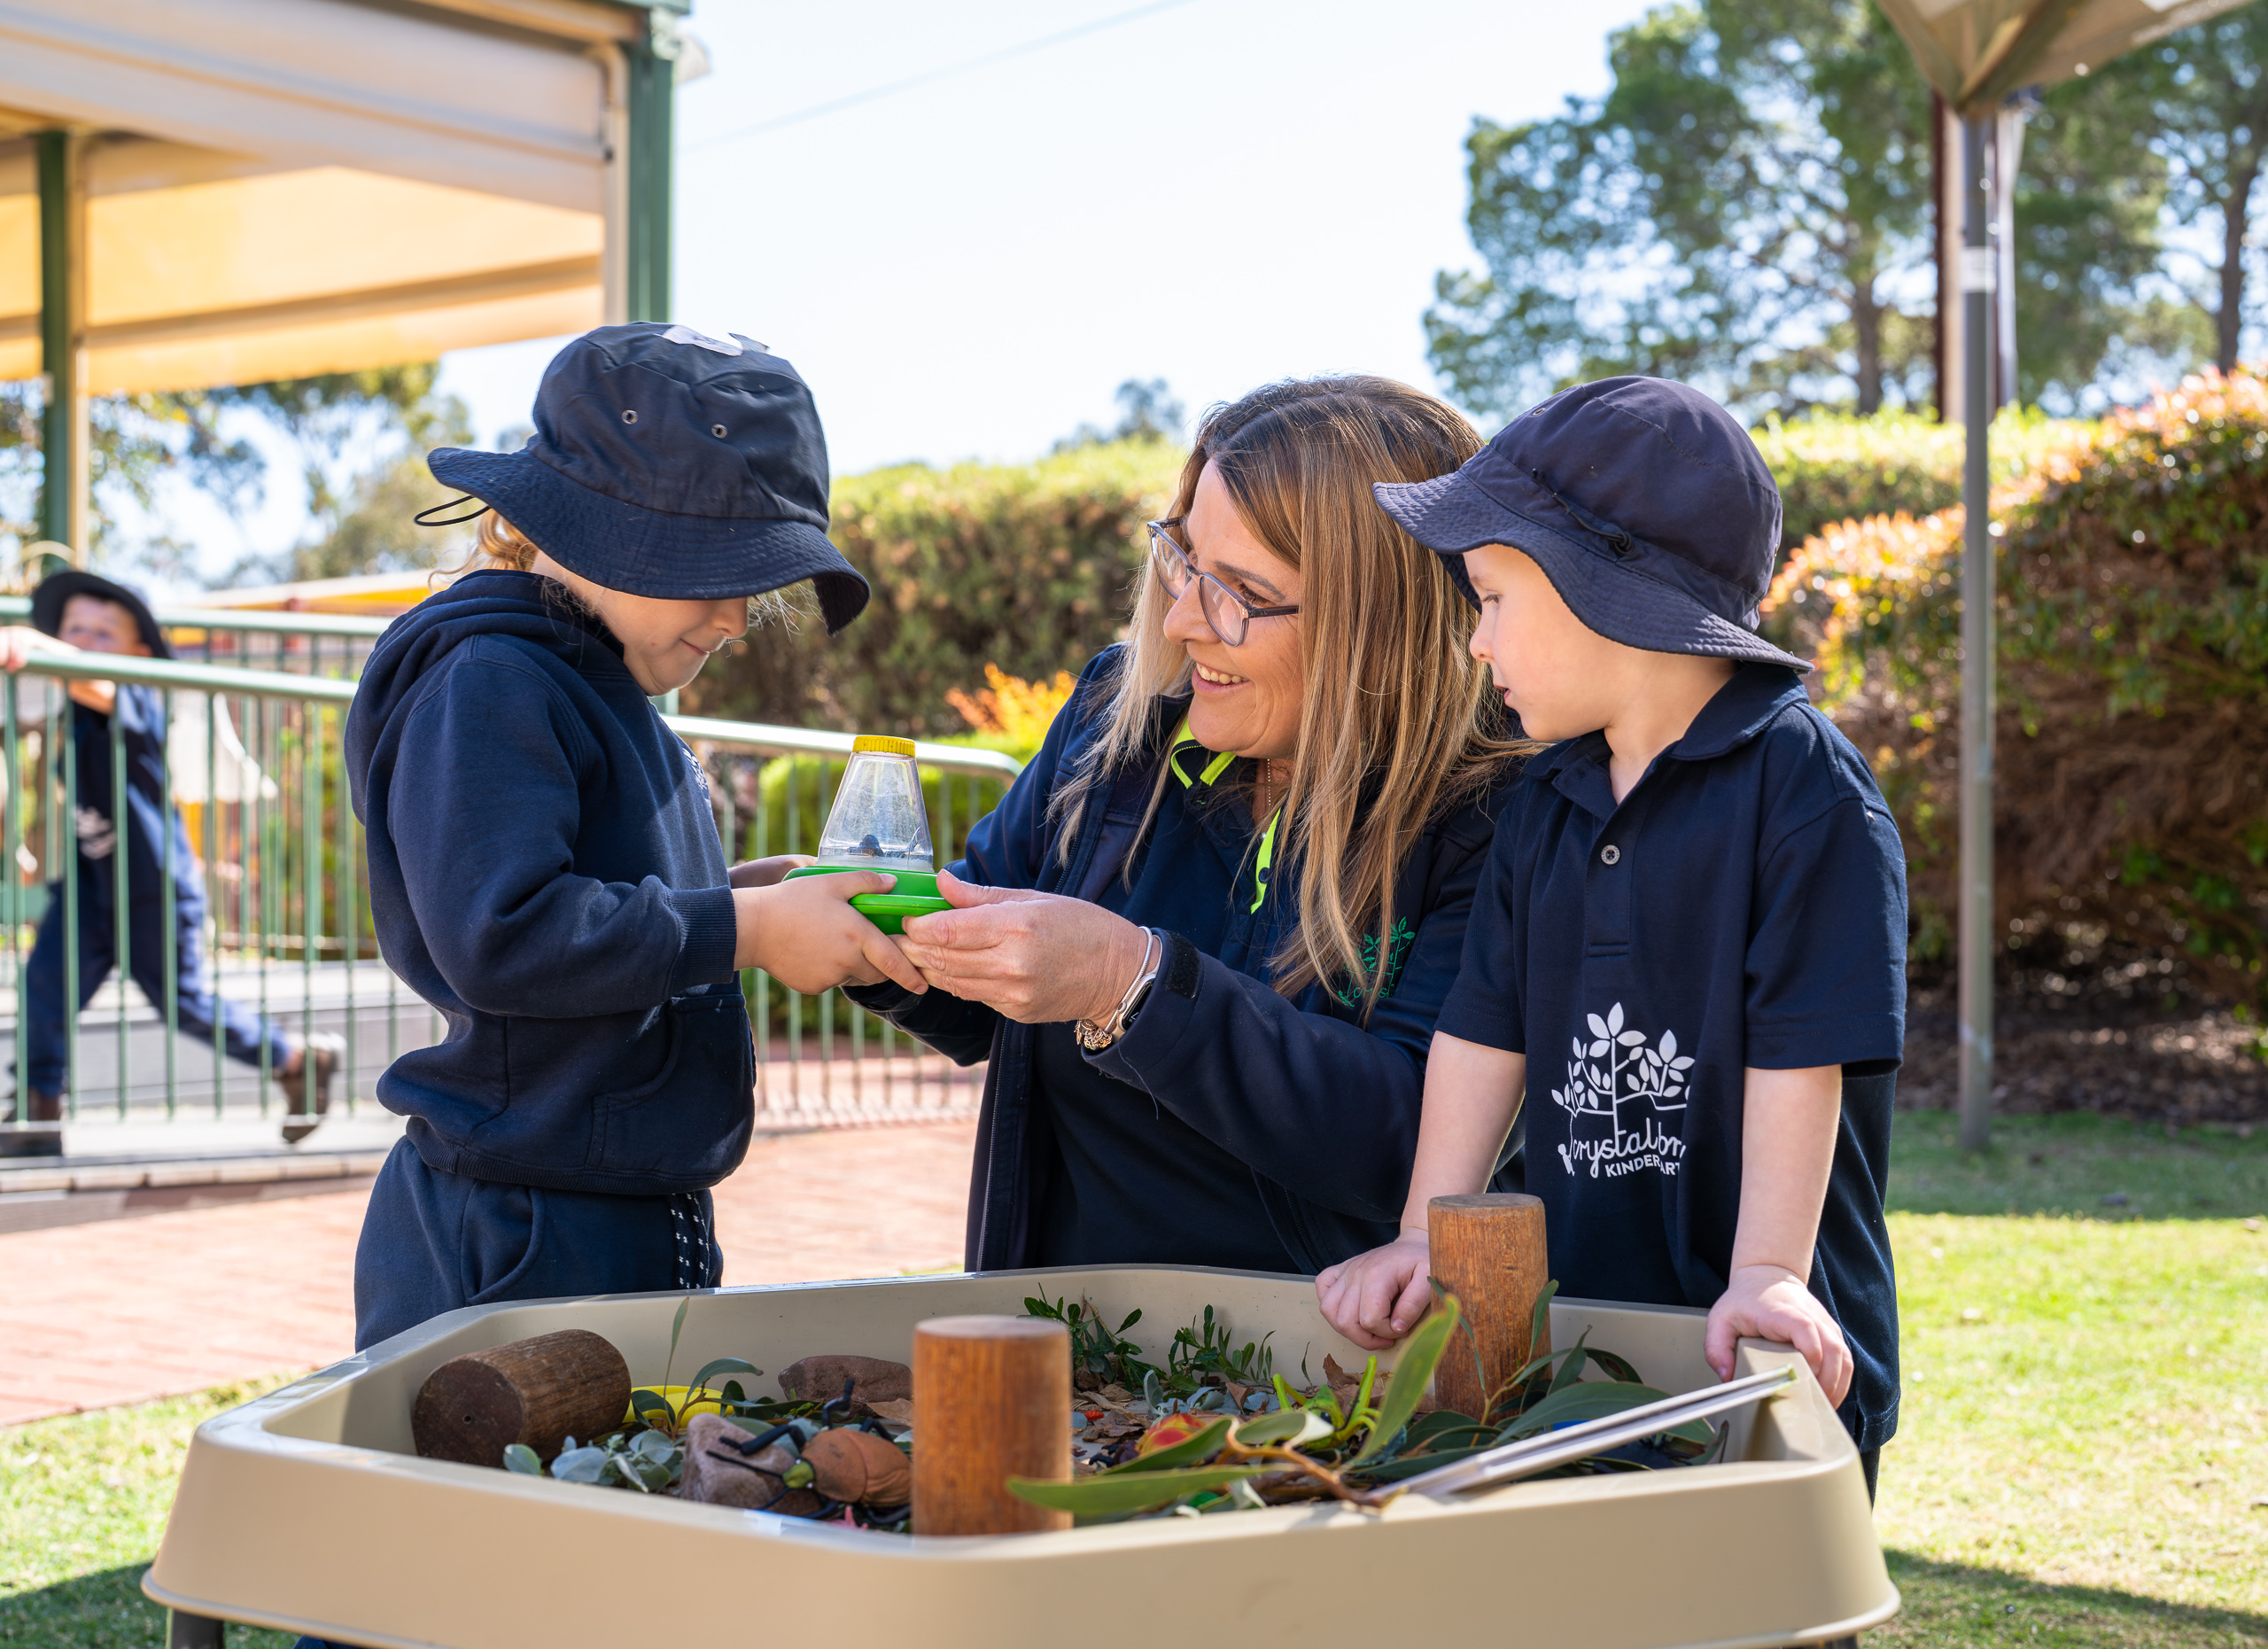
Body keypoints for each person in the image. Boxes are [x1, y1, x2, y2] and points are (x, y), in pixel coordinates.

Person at [1314, 377, 1906, 1487]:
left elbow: (1802, 1055)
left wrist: (1768, 1271)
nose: (1476, 644)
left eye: (1492, 599)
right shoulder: (1544, 800)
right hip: (1583, 1355)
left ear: (1602, 588)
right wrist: (1423, 1234)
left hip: (1762, 1358)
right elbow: (1480, 1033)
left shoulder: (1803, 792)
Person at [849, 377, 1527, 1274]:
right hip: (1072, 1331)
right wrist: (867, 925)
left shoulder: (1505, 809)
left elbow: (1419, 1147)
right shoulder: (1117, 718)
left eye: (1241, 591)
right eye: (1185, 561)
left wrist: (1131, 981)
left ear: (1382, 624)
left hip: (1331, 1350)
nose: (1179, 622)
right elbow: (981, 989)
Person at [342, 323, 927, 1355]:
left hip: (618, 1197)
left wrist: (757, 889)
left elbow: (603, 892)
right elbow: (504, 931)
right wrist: (748, 928)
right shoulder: (492, 681)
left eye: (757, 579)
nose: (736, 617)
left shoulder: (596, 683)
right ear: (582, 527)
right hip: (525, 1221)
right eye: (712, 568)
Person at [0, 572, 338, 1147]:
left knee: (184, 1003)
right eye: (74, 628)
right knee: (44, 987)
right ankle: (39, 1110)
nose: (84, 640)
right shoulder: (71, 717)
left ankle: (297, 1059)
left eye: (102, 633)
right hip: (92, 885)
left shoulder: (136, 699)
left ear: (137, 655)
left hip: (152, 887)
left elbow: (93, 679)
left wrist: (30, 643)